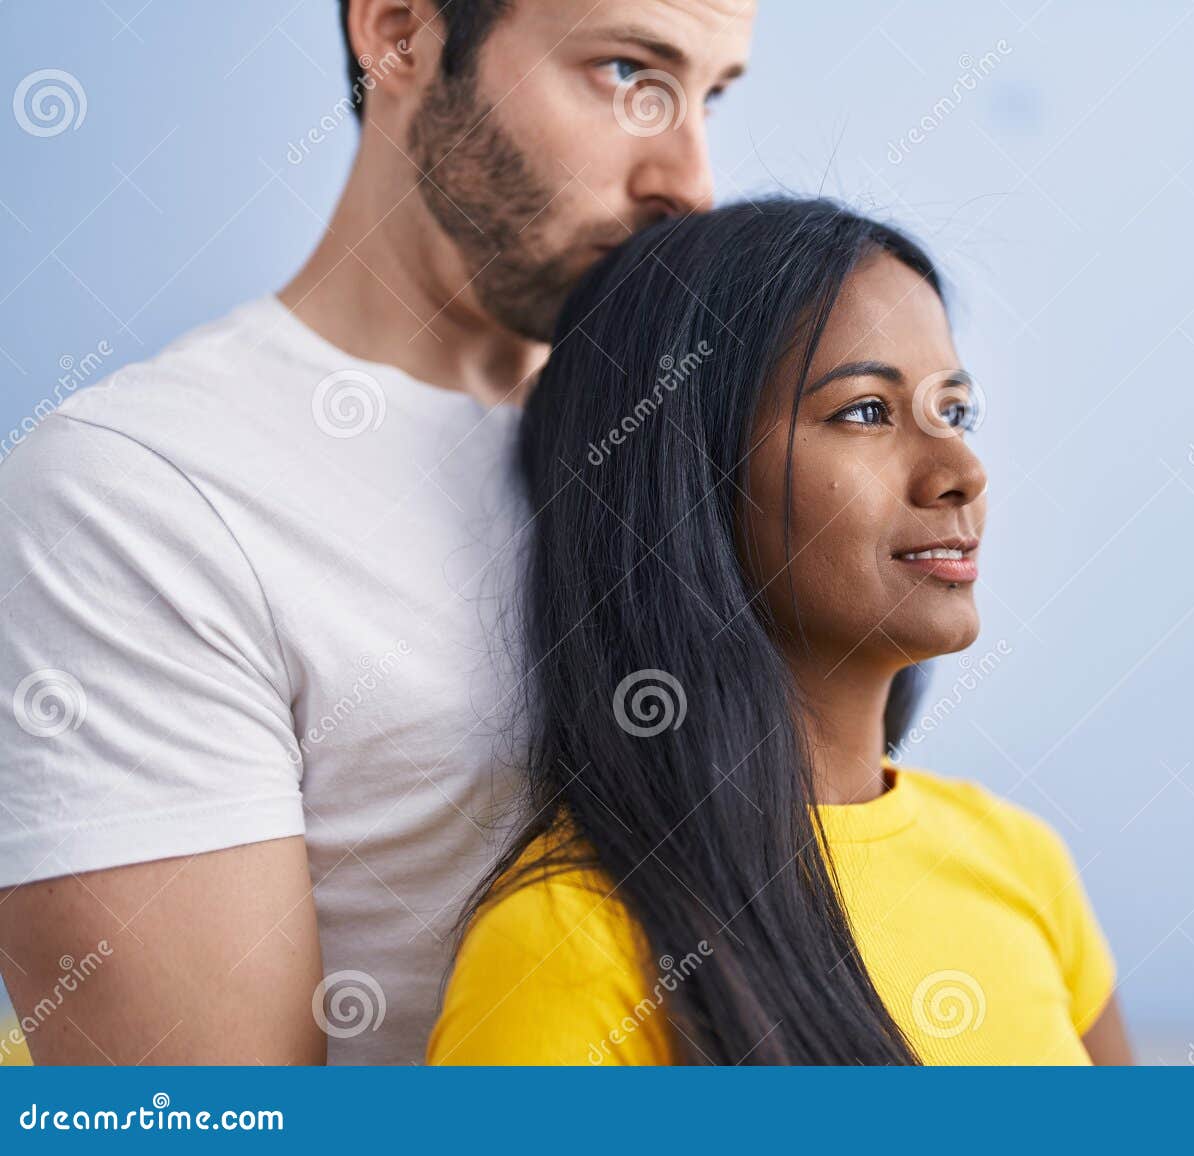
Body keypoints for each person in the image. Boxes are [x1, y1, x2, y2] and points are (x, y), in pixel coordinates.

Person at [0, 0, 755, 1065]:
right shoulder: (135, 492)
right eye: (629, 73)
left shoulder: (704, 443)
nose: (690, 182)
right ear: (400, 32)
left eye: (711, 95)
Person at [426, 198, 1133, 1065]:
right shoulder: (567, 946)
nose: (961, 472)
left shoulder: (1023, 863)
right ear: (685, 477)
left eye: (956, 411)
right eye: (867, 411)